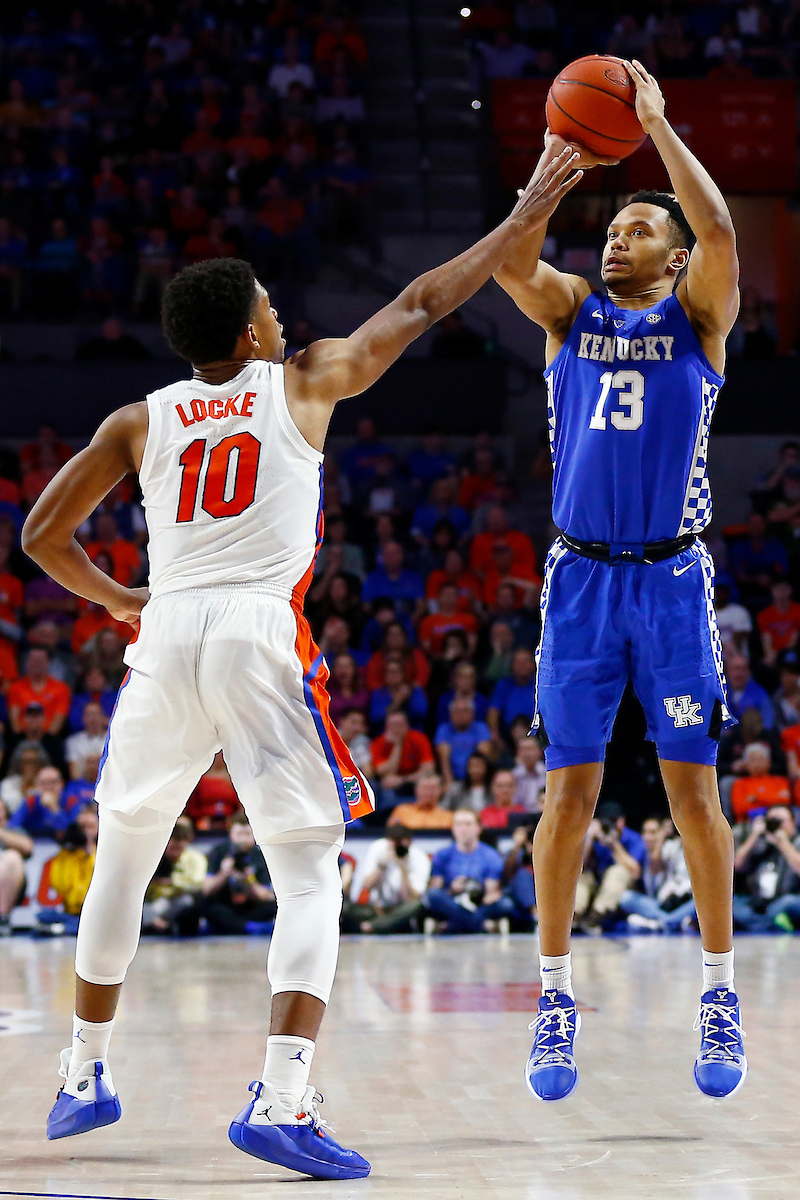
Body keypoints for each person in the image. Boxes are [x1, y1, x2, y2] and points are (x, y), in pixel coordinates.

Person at [24, 161, 578, 1171]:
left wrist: (115, 599)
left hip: (167, 634)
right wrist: (523, 214)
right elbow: (418, 301)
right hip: (253, 632)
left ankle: (83, 1069)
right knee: (309, 875)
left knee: (124, 859)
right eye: (268, 307)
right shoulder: (304, 379)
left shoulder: (138, 418)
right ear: (246, 334)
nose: (280, 316)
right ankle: (281, 1100)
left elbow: (40, 536)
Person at [493, 58, 752, 1101]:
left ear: (675, 258)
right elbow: (509, 261)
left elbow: (723, 233)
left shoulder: (696, 322)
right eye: (613, 229)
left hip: (672, 579)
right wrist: (549, 181)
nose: (617, 239)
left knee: (693, 792)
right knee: (568, 793)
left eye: (638, 230)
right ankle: (553, 997)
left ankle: (719, 990)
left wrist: (654, 127)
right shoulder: (567, 315)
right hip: (580, 584)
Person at [424, 808, 513, 933]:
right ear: (453, 828)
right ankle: (482, 925)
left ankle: (449, 926)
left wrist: (477, 891)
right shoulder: (442, 855)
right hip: (452, 901)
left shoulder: (491, 856)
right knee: (433, 896)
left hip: (479, 903)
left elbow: (491, 893)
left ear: (478, 828)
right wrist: (452, 889)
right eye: (459, 824)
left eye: (468, 824)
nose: (463, 829)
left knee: (506, 904)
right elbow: (435, 888)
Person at [343, 824, 431, 933]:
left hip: (401, 910)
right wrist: (382, 866)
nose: (397, 847)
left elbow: (412, 898)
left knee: (418, 905)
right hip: (375, 909)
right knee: (344, 907)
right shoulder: (378, 848)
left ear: (410, 842)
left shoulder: (419, 858)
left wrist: (403, 869)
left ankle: (372, 926)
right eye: (395, 842)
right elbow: (367, 885)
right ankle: (383, 924)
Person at [574, 801, 648, 931]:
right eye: (607, 821)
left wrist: (614, 845)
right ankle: (575, 915)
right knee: (582, 877)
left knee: (617, 871)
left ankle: (596, 916)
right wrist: (589, 840)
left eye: (614, 820)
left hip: (625, 888)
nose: (611, 824)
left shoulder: (632, 838)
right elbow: (579, 867)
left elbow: (635, 871)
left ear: (622, 820)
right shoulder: (596, 838)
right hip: (597, 883)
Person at [619, 817, 696, 932]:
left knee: (697, 903)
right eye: (645, 832)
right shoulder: (642, 851)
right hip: (657, 904)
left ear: (662, 833)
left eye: (653, 832)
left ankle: (661, 922)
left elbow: (656, 864)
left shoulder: (671, 847)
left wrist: (660, 841)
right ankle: (668, 922)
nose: (648, 837)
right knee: (626, 897)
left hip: (677, 902)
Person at [732, 807, 800, 932]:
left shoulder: (796, 842)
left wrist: (783, 843)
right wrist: (754, 836)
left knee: (788, 902)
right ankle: (771, 924)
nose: (776, 825)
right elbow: (737, 865)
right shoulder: (761, 843)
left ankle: (760, 924)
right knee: (731, 903)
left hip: (788, 897)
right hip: (758, 901)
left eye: (780, 821)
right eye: (771, 821)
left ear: (793, 823)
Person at [37, 806, 99, 936]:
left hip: (98, 912)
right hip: (71, 912)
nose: (86, 832)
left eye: (90, 827)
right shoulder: (65, 855)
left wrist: (89, 856)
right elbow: (61, 887)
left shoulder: (103, 854)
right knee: (43, 916)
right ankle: (70, 927)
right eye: (82, 827)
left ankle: (65, 928)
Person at [142, 816, 208, 934]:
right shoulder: (152, 859)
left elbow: (198, 885)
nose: (177, 846)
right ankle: (154, 922)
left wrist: (171, 881)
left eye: (181, 840)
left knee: (186, 901)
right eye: (173, 841)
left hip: (176, 904)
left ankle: (156, 923)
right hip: (151, 904)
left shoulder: (195, 859)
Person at [435, 696, 494, 788]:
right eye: (457, 711)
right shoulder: (443, 730)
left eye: (465, 711)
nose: (461, 714)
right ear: (450, 714)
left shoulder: (481, 728)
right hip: (453, 778)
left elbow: (484, 756)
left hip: (475, 779)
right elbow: (443, 759)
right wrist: (450, 785)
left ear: (472, 713)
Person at [729, 743, 791, 823]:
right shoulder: (739, 783)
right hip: (747, 824)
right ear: (746, 764)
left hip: (778, 822)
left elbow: (785, 801)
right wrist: (771, 799)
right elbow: (739, 809)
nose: (757, 764)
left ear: (769, 762)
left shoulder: (779, 781)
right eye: (753, 760)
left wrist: (756, 798)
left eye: (760, 759)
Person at [0, 797, 34, 936]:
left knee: (12, 858)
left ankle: (2, 919)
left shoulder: (14, 830)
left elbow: (28, 847)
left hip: (9, 887)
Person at [386, 773, 453, 831]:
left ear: (440, 791)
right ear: (416, 790)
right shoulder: (401, 812)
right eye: (425, 788)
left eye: (433, 788)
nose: (428, 792)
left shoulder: (448, 817)